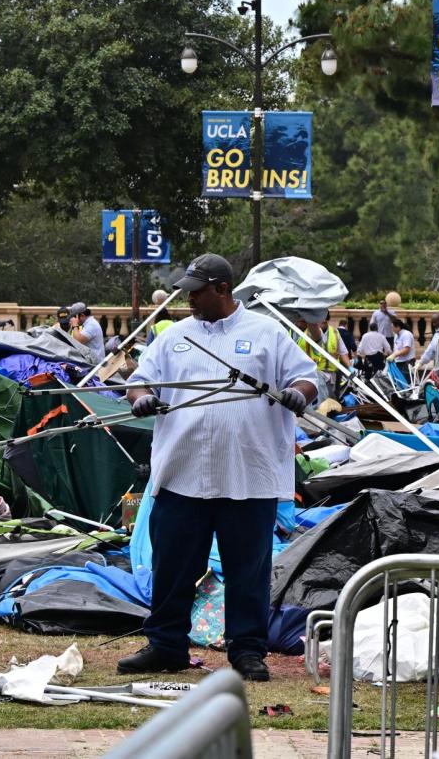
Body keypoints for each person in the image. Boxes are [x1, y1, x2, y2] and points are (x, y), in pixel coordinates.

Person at [118, 253, 316, 682]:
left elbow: (305, 376)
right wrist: (142, 399)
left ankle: (247, 650)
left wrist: (299, 393)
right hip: (182, 474)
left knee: (248, 569)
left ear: (222, 289)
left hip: (249, 475)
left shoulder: (266, 333)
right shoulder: (175, 337)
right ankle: (166, 644)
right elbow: (138, 381)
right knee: (173, 567)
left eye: (196, 291)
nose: (188, 298)